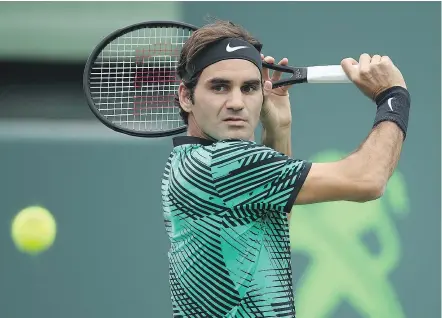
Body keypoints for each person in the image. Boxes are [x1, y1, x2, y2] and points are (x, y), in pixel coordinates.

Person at [161, 20, 410, 317]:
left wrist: (278, 130)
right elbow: (369, 179)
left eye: (250, 88)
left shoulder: (188, 159)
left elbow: (269, 227)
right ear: (186, 97)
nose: (237, 102)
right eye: (220, 87)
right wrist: (393, 96)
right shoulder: (223, 163)